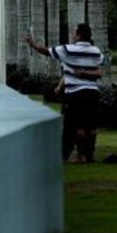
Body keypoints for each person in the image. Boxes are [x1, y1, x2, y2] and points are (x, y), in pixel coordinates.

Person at [25, 24, 104, 164]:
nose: (73, 35)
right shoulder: (96, 51)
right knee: (90, 126)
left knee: (71, 126)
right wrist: (80, 76)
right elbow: (98, 71)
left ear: (78, 35)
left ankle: (66, 155)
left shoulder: (68, 49)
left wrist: (32, 44)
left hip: (75, 93)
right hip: (93, 93)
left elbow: (45, 51)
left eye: (74, 32)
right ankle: (87, 154)